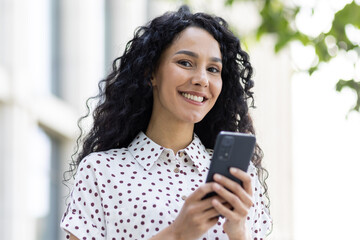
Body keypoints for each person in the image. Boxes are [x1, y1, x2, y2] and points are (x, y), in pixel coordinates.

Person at [61, 5, 272, 240]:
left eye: (213, 69)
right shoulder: (101, 172)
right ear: (151, 72)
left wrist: (238, 233)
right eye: (185, 63)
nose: (202, 79)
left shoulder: (242, 179)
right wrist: (177, 234)